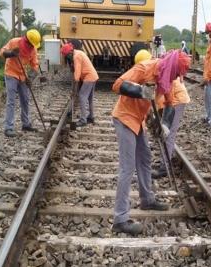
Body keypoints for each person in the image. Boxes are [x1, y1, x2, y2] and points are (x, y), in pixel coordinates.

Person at [111, 49, 191, 235]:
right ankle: (120, 219)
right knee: (127, 167)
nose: (177, 77)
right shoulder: (145, 68)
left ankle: (147, 199)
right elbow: (117, 85)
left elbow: (170, 104)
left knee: (145, 159)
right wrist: (140, 91)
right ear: (171, 67)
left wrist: (165, 125)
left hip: (138, 120)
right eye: (177, 73)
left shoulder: (167, 78)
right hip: (124, 118)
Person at [0, 29, 41, 137]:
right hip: (11, 73)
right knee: (11, 101)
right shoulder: (14, 42)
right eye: (31, 45)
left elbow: (35, 65)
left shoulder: (33, 50)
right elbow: (1, 52)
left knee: (25, 100)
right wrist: (11, 53)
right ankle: (8, 128)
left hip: (23, 75)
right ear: (26, 40)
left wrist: (30, 77)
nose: (32, 47)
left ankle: (26, 124)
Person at [152, 77, 190, 178]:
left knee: (168, 134)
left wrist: (158, 117)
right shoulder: (157, 70)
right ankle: (167, 157)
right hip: (172, 98)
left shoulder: (159, 75)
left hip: (176, 100)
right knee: (166, 131)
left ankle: (164, 167)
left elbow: (160, 100)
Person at [61, 42, 99, 127]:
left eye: (67, 56)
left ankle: (83, 120)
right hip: (93, 76)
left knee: (82, 96)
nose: (67, 57)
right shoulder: (79, 52)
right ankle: (91, 117)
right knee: (89, 98)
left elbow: (77, 72)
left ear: (70, 52)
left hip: (89, 77)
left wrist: (74, 89)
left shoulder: (76, 56)